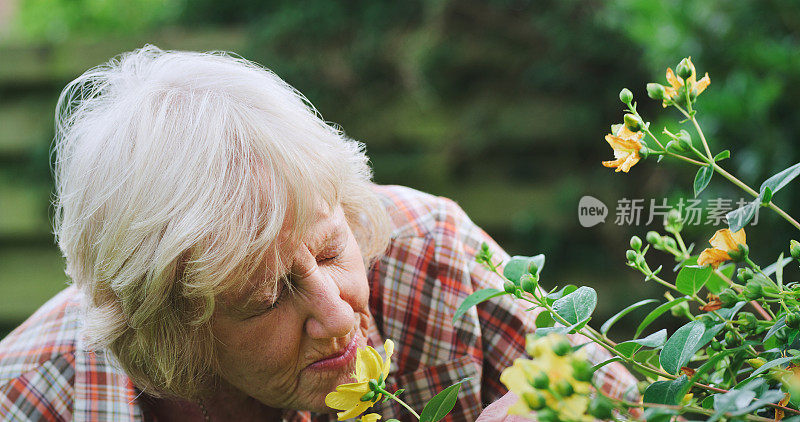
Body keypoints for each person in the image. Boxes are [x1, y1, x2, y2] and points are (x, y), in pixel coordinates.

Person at [0, 46, 637, 421]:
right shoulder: (32, 400)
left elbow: (635, 400)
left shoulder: (434, 257)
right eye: (266, 300)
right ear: (170, 335)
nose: (336, 317)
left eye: (331, 249)